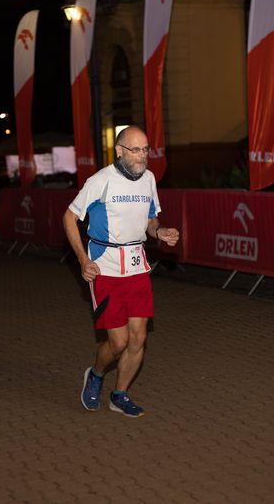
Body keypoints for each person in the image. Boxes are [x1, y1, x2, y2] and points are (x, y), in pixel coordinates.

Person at [62, 125, 180, 418]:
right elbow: (69, 217)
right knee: (118, 342)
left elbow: (151, 220)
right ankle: (96, 374)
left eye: (145, 149)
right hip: (105, 267)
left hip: (137, 266)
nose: (142, 156)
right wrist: (82, 260)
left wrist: (160, 232)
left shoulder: (149, 179)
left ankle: (120, 394)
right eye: (135, 150)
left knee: (138, 337)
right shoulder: (100, 180)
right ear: (119, 151)